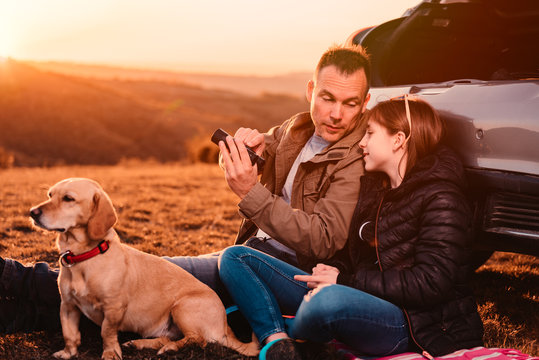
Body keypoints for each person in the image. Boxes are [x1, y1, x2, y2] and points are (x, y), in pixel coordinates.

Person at [0, 44, 372, 334]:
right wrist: (243, 151)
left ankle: (13, 278)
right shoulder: (297, 129)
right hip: (247, 253)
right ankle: (19, 311)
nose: (336, 114)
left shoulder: (355, 158)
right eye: (327, 98)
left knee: (145, 282)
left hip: (284, 271)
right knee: (140, 281)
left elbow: (324, 240)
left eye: (349, 103)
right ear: (311, 90)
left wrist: (251, 194)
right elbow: (236, 165)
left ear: (366, 102)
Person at [218, 96, 484, 360]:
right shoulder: (375, 189)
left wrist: (344, 282)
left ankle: (270, 320)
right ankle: (277, 341)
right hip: (357, 296)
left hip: (414, 324)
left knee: (327, 302)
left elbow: (430, 283)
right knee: (236, 257)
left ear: (398, 139)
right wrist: (335, 270)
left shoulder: (442, 198)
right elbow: (357, 260)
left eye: (370, 133)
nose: (362, 142)